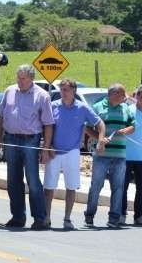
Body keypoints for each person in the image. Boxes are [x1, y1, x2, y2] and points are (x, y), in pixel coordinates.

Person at [0, 64, 54, 230]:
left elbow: (48, 124)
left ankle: (40, 218)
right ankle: (18, 216)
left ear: (31, 78)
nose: (19, 81)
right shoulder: (9, 91)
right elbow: (1, 116)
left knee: (33, 180)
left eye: (23, 78)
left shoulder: (42, 96)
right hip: (11, 139)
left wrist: (46, 148)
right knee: (13, 180)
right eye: (18, 78)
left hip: (31, 140)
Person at [43, 79, 104, 230]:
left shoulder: (82, 108)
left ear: (73, 91)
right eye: (62, 89)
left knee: (71, 187)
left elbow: (99, 123)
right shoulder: (53, 105)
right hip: (54, 152)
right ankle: (46, 217)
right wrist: (46, 147)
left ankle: (67, 218)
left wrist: (101, 139)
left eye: (66, 90)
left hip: (72, 152)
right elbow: (46, 127)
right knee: (49, 187)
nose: (63, 92)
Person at [84, 83, 135, 228]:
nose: (125, 98)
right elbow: (87, 127)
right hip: (101, 154)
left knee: (118, 187)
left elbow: (133, 125)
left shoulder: (125, 108)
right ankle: (89, 215)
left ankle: (114, 218)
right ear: (114, 94)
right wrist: (99, 138)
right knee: (96, 185)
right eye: (123, 94)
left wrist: (126, 130)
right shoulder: (98, 107)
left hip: (120, 154)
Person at [121, 86, 142, 225]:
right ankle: (121, 213)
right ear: (137, 97)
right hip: (126, 156)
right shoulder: (129, 110)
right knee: (123, 187)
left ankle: (139, 215)